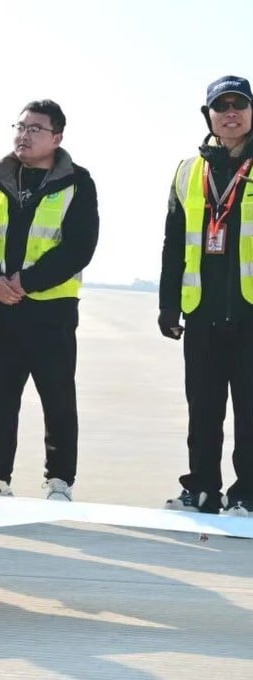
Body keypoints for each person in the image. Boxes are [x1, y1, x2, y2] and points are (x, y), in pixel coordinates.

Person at [0, 100, 99, 502]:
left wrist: (26, 281)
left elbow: (79, 247)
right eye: (20, 127)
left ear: (57, 138)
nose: (24, 135)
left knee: (57, 399)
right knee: (0, 400)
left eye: (35, 129)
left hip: (51, 310)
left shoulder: (78, 182)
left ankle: (59, 482)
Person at [160, 76, 253, 517]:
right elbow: (173, 244)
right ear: (209, 115)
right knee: (203, 411)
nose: (231, 112)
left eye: (240, 104)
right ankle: (201, 490)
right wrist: (166, 305)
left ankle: (247, 494)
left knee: (251, 413)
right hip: (201, 312)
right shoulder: (187, 171)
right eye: (222, 106)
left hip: (250, 312)